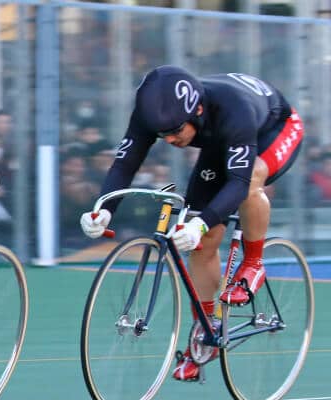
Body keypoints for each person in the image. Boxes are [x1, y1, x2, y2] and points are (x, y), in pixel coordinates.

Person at [80, 65, 303, 382]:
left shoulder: (233, 107)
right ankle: (207, 329)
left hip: (274, 128)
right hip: (218, 140)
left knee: (251, 177)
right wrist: (104, 209)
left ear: (197, 110)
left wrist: (199, 224)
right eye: (163, 135)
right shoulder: (151, 113)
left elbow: (238, 184)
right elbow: (125, 164)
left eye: (175, 131)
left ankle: (254, 263)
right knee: (202, 244)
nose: (170, 140)